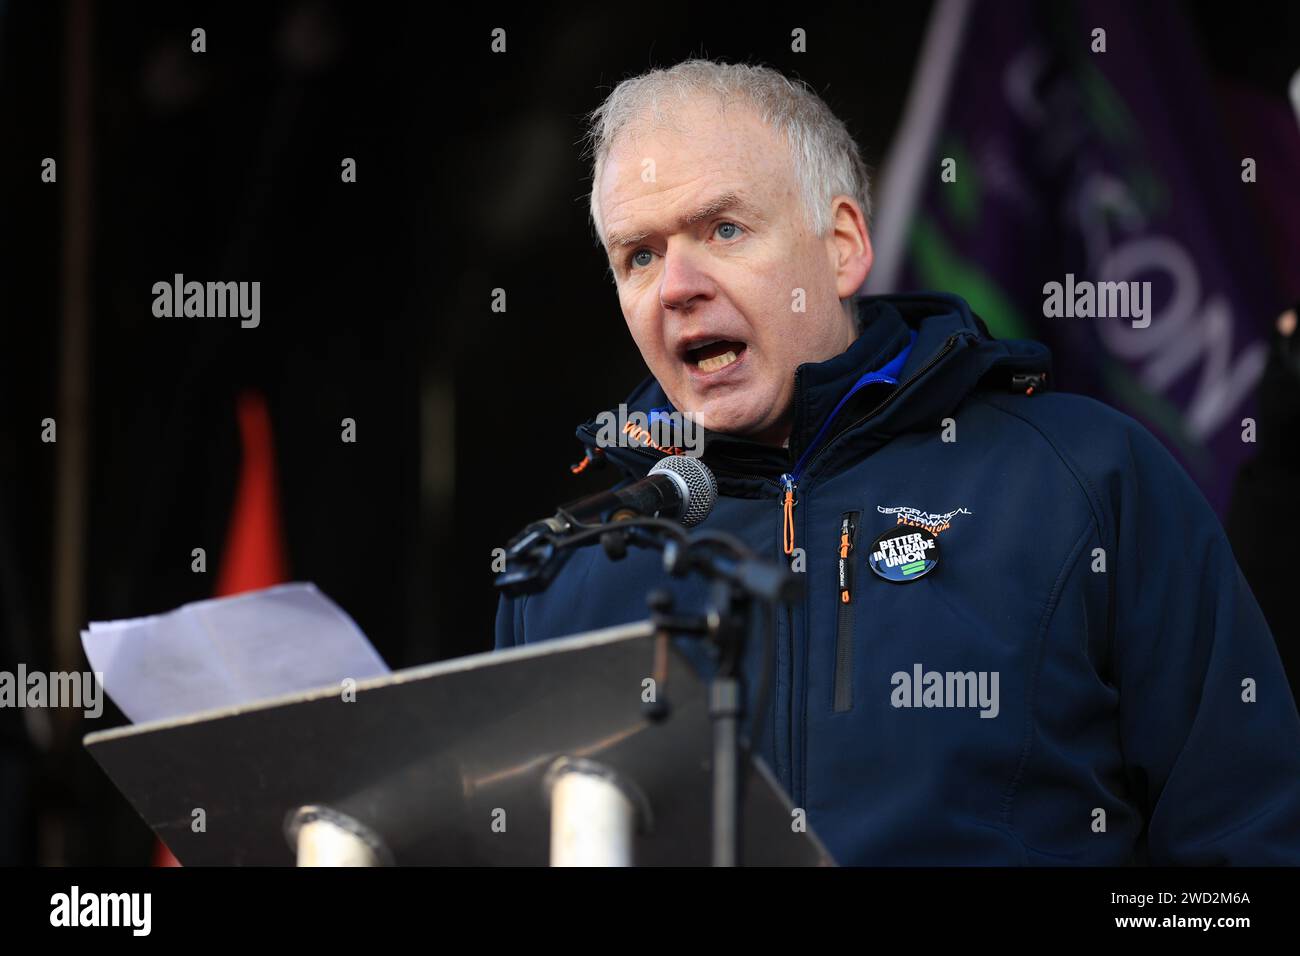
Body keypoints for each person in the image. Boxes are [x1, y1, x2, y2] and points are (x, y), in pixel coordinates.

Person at [494, 59, 1300, 865]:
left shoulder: (1090, 479)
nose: (675, 287)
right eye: (638, 255)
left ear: (842, 247)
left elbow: (1244, 856)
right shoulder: (563, 574)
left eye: (723, 229)